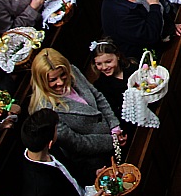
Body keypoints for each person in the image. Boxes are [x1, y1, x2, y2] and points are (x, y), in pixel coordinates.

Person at [28, 48, 125, 185]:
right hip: (94, 158)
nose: (60, 82)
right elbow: (76, 143)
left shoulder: (72, 71)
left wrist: (115, 126)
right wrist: (112, 141)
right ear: (42, 81)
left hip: (113, 135)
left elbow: (97, 96)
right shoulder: (44, 109)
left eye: (62, 75)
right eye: (53, 80)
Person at [19, 109, 110, 196]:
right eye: (56, 130)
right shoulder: (38, 190)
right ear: (50, 143)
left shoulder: (49, 149)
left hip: (84, 195)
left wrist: (94, 173)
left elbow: (72, 169)